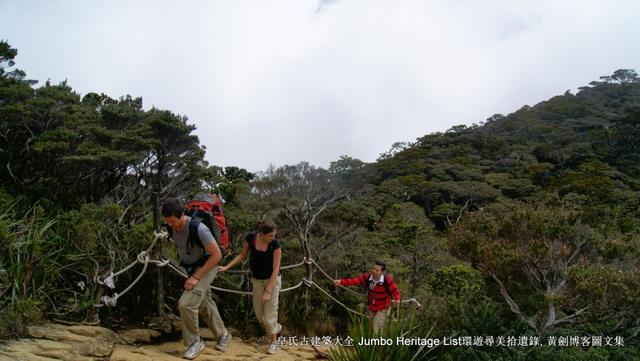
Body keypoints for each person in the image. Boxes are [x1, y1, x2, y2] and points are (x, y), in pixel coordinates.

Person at [161, 198, 232, 360]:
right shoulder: (171, 227)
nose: (170, 225)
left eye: (173, 221)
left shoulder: (199, 229)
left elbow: (216, 255)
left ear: (182, 215)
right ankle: (223, 335)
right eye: (167, 222)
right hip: (192, 268)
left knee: (186, 303)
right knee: (205, 302)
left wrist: (195, 277)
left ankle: (195, 342)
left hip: (207, 266)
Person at [219, 219, 282, 354]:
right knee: (259, 314)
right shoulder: (251, 239)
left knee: (269, 313)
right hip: (257, 280)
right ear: (262, 233)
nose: (273, 238)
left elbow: (276, 269)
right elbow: (242, 255)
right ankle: (275, 327)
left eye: (274, 235)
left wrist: (269, 291)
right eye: (270, 235)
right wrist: (226, 267)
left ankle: (274, 341)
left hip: (272, 280)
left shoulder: (275, 244)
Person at [333, 261, 401, 332]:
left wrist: (397, 300)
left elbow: (396, 292)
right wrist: (341, 282)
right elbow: (356, 281)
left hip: (384, 307)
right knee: (370, 328)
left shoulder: (387, 281)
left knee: (376, 328)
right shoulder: (367, 277)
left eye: (377, 270)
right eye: (373, 269)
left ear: (382, 272)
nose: (374, 271)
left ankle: (376, 342)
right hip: (372, 306)